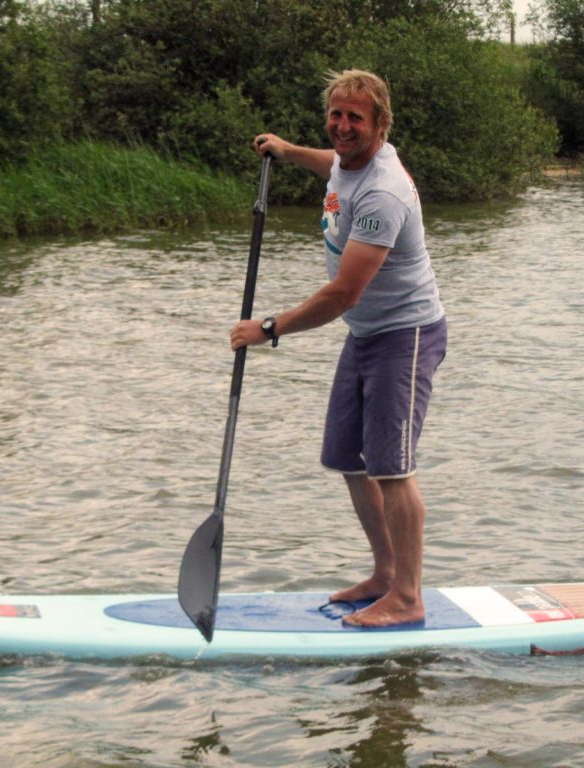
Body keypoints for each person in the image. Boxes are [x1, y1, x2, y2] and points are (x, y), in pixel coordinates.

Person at [230, 69, 447, 627]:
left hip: (406, 334)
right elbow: (331, 163)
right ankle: (385, 574)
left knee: (392, 469)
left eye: (356, 118)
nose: (343, 127)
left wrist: (270, 328)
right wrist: (285, 150)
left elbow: (344, 293)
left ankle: (408, 597)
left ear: (380, 124)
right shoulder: (348, 163)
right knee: (351, 461)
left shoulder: (383, 190)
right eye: (336, 115)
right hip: (367, 334)